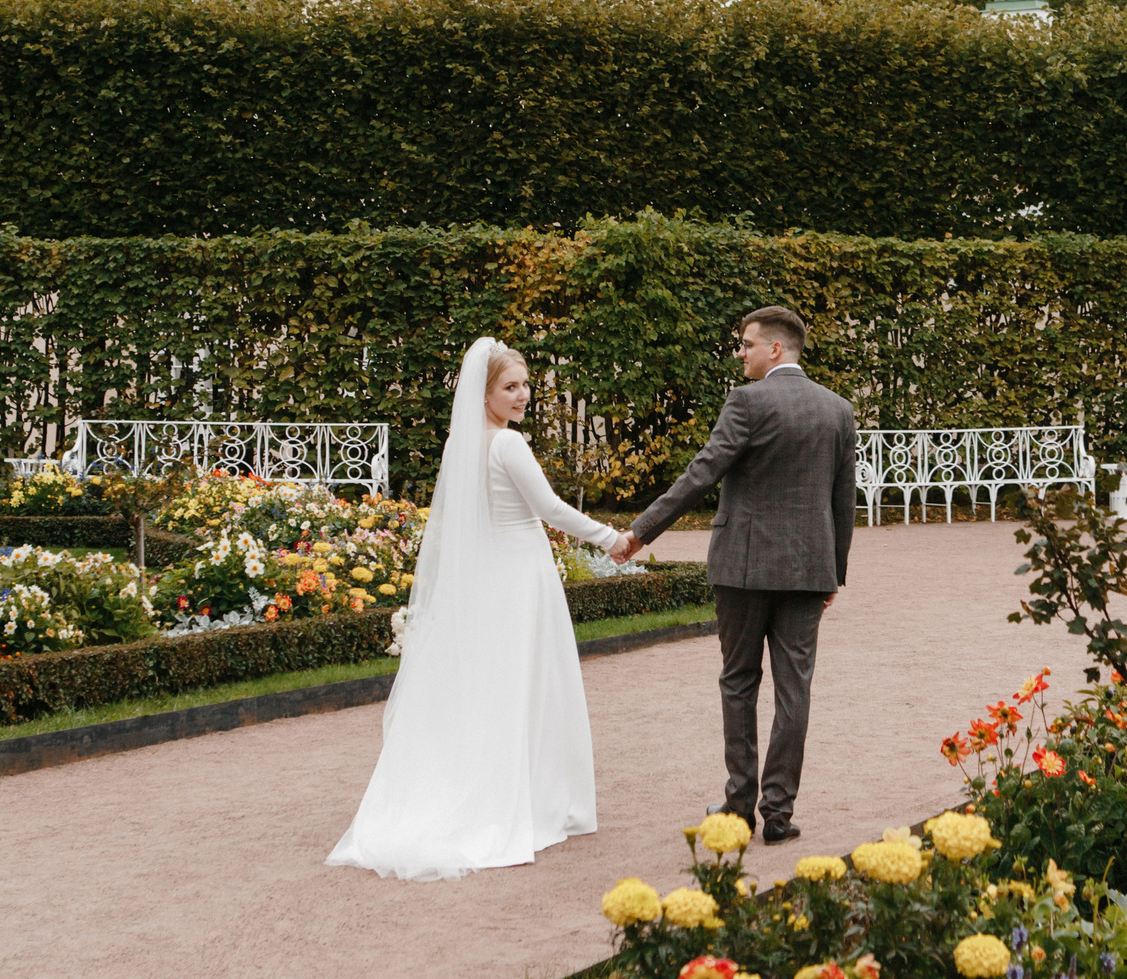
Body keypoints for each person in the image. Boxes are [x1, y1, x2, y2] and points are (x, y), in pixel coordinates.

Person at [328, 337, 627, 880]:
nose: (522, 396)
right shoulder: (508, 445)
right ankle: (533, 802)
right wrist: (612, 539)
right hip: (520, 576)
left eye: (526, 385)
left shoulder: (461, 445)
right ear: (484, 393)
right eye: (510, 387)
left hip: (488, 577)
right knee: (529, 684)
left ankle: (493, 790)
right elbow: (550, 509)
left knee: (491, 686)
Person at [613, 305, 857, 844]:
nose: (740, 353)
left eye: (746, 344)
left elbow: (702, 473)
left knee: (739, 682)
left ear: (775, 348)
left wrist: (640, 532)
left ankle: (738, 807)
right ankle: (779, 815)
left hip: (742, 570)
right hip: (807, 571)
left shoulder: (747, 401)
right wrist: (833, 574)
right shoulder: (838, 410)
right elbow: (844, 502)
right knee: (796, 690)